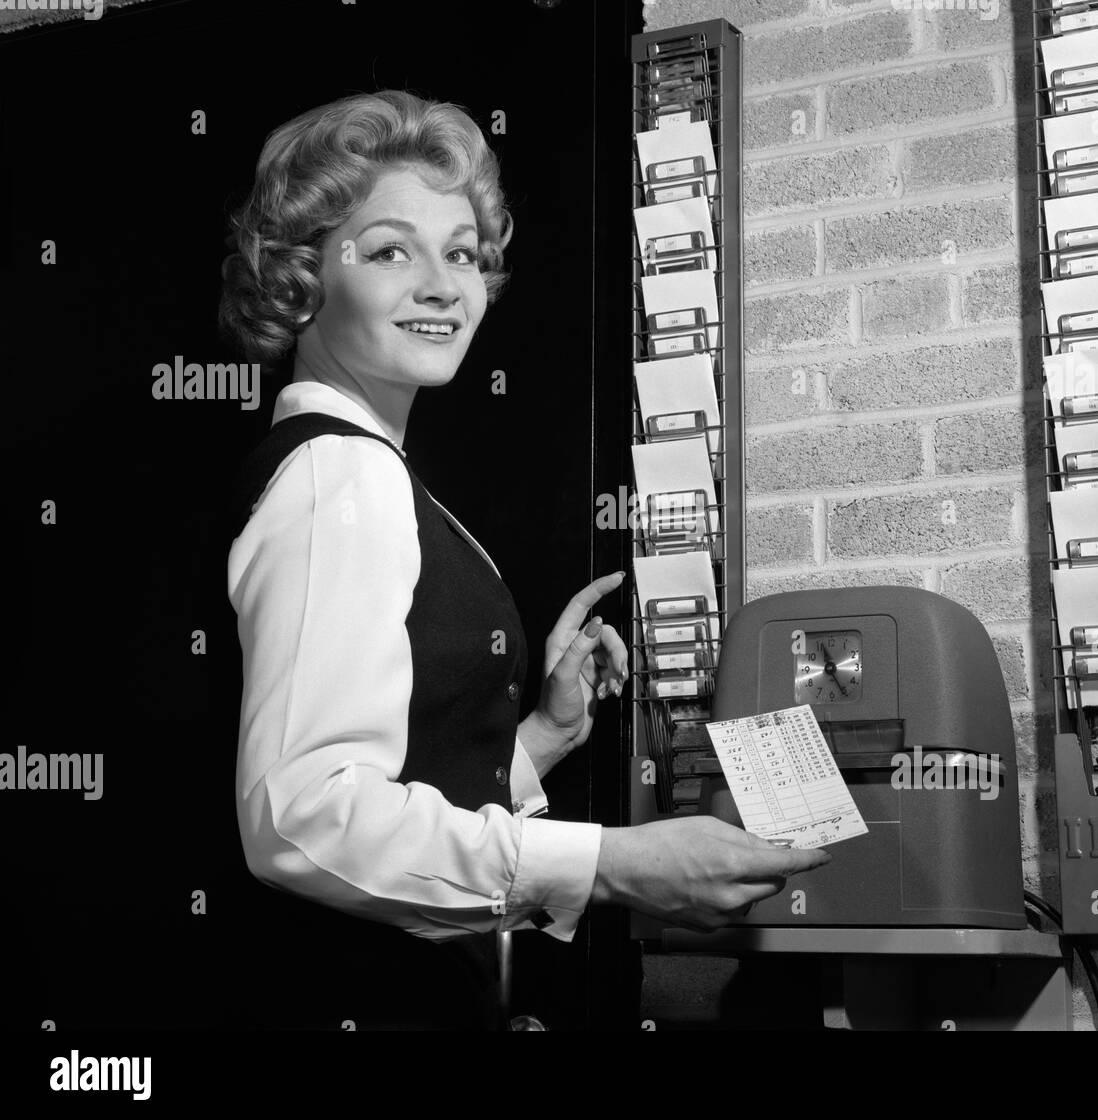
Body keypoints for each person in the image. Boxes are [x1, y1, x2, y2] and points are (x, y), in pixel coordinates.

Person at [220, 89, 829, 1030]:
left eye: (460, 253)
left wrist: (544, 731)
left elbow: (406, 789)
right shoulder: (340, 477)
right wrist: (615, 864)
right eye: (390, 251)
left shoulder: (365, 468)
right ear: (304, 277)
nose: (441, 285)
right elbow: (303, 819)